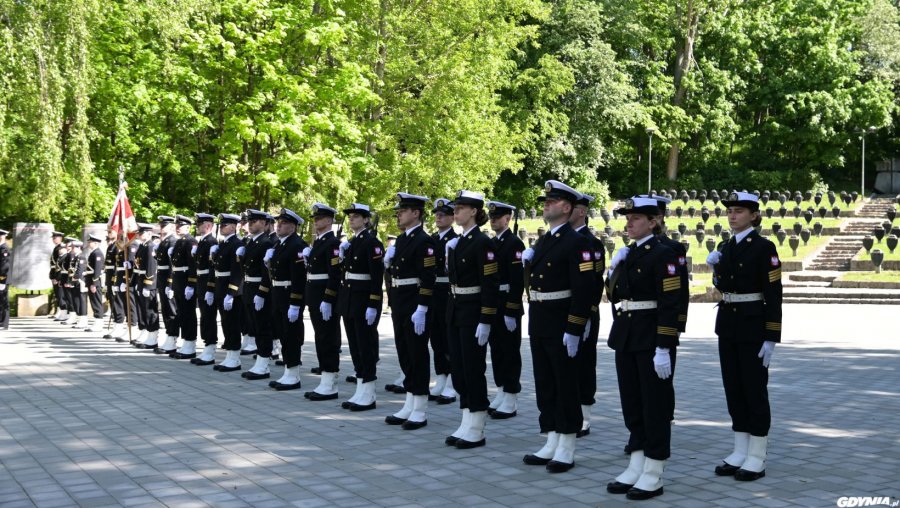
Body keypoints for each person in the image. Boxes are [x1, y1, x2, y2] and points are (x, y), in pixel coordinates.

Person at [605, 196, 681, 500]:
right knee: (632, 404)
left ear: (654, 222)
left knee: (655, 406)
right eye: (628, 218)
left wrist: (664, 345)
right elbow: (614, 297)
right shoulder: (629, 253)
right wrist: (614, 269)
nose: (629, 223)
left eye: (636, 218)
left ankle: (654, 469)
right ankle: (636, 463)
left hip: (651, 338)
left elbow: (670, 303)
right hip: (626, 334)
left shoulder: (664, 255)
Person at [707, 191, 782, 482]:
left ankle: (757, 455)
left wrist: (771, 336)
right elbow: (724, 287)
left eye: (739, 211)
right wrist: (716, 268)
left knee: (754, 389)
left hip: (753, 326)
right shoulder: (726, 246)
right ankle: (740, 449)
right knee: (734, 388)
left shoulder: (764, 247)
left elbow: (774, 293)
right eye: (730, 211)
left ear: (754, 215)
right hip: (728, 323)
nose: (732, 215)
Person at [520, 181, 592, 473]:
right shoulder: (546, 240)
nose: (545, 204)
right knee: (545, 383)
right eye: (545, 201)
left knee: (565, 384)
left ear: (567, 207)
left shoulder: (577, 242)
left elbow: (585, 290)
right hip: (540, 318)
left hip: (561, 321)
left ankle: (567, 445)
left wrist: (575, 328)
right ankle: (551, 438)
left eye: (552, 201)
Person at [443, 190, 499, 448]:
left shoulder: (483, 242)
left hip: (474, 311)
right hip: (456, 309)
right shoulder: (457, 242)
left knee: (474, 369)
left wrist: (486, 319)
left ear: (474, 211)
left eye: (461, 207)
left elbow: (490, 284)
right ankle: (466, 419)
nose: (456, 211)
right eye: (455, 207)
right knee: (459, 368)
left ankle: (477, 425)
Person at [382, 193, 437, 429]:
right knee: (404, 352)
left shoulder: (424, 241)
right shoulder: (404, 240)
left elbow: (428, 277)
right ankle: (410, 401)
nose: (398, 214)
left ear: (416, 213)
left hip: (415, 302)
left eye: (403, 211)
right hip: (400, 301)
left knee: (417, 354)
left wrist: (422, 307)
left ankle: (420, 407)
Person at [338, 203, 384, 410]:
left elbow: (376, 277)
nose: (352, 220)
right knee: (355, 346)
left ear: (366, 220)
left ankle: (369, 392)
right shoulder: (352, 242)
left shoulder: (372, 242)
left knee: (365, 346)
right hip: (349, 300)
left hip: (363, 301)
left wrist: (373, 303)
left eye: (356, 217)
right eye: (350, 217)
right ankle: (360, 388)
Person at [569, 193, 605, 438]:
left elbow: (594, 283)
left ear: (581, 211)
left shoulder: (591, 243)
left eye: (571, 207)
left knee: (583, 364)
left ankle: (584, 414)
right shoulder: (560, 239)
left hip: (584, 313)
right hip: (562, 312)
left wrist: (588, 315)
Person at [485, 201, 525, 420]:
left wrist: (511, 309)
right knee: (497, 350)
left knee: (510, 352)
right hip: (494, 303)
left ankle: (511, 395)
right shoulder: (492, 243)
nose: (493, 220)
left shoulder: (515, 244)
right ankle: (501, 389)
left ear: (508, 219)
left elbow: (518, 282)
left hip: (508, 304)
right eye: (491, 217)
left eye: (497, 217)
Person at [303, 203, 343, 400]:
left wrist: (328, 298)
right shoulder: (318, 242)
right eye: (315, 219)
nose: (315, 221)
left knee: (328, 337)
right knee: (321, 337)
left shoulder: (332, 243)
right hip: (315, 296)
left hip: (324, 298)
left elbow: (335, 275)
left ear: (328, 221)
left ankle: (330, 383)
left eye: (319, 218)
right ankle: (325, 380)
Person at [267, 208, 308, 390]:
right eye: (278, 223)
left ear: (293, 226)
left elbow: (299, 277)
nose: (278, 226)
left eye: (283, 223)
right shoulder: (279, 244)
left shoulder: (297, 245)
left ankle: (293, 374)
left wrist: (295, 303)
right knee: (283, 333)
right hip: (278, 294)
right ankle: (287, 371)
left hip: (289, 294)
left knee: (291, 335)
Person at [428, 198, 458, 404]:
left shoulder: (455, 240)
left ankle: (452, 382)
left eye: (443, 214)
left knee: (449, 339)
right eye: (437, 214)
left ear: (452, 217)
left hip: (448, 291)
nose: (439, 217)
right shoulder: (432, 239)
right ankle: (440, 377)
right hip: (432, 291)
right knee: (436, 337)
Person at [240, 209, 276, 380]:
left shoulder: (266, 243)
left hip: (258, 290)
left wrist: (262, 292)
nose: (250, 224)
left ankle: (263, 363)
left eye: (254, 221)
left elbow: (266, 273)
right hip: (249, 288)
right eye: (249, 221)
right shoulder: (251, 242)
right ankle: (260, 362)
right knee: (254, 326)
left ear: (263, 223)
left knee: (262, 328)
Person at [208, 213, 244, 372]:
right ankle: (229, 355)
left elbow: (238, 271)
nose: (221, 227)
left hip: (230, 288)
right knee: (225, 322)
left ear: (234, 227)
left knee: (232, 323)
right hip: (220, 286)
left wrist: (232, 292)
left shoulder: (237, 244)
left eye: (225, 225)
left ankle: (234, 358)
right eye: (221, 225)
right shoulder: (223, 244)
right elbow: (215, 269)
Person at [165, 215, 198, 356]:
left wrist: (191, 284)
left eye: (181, 226)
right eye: (177, 226)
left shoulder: (190, 241)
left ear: (188, 227)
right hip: (179, 281)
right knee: (182, 313)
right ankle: (185, 343)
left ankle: (190, 344)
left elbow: (192, 265)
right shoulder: (179, 242)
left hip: (186, 281)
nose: (178, 228)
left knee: (188, 314)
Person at [133, 224, 161, 349]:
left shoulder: (150, 246)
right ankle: (146, 333)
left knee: (150, 310)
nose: (139, 235)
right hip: (141, 281)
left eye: (141, 233)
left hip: (147, 282)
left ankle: (153, 337)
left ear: (149, 234)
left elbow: (151, 267)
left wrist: (148, 285)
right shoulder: (142, 246)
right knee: (142, 309)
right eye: (139, 233)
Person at [155, 216, 179, 351]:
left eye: (164, 226)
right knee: (165, 309)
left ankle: (172, 338)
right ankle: (169, 337)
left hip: (168, 279)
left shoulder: (172, 241)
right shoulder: (164, 241)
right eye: (161, 225)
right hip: (162, 278)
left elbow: (172, 265)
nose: (162, 228)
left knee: (171, 310)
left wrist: (170, 284)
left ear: (171, 227)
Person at [103, 229, 126, 340]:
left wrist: (114, 279)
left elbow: (118, 265)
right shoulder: (112, 246)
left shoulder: (118, 246)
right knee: (112, 300)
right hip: (110, 277)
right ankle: (116, 324)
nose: (108, 234)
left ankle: (119, 325)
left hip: (115, 277)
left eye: (110, 232)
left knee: (117, 302)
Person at [84, 234, 106, 332]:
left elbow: (97, 270)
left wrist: (94, 283)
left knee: (96, 302)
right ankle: (97, 322)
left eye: (90, 242)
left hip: (94, 282)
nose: (89, 244)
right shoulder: (94, 252)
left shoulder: (97, 253)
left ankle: (99, 323)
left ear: (96, 243)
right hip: (91, 280)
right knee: (94, 302)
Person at [49, 231, 67, 320]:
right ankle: (59, 311)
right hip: (55, 273)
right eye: (53, 238)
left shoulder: (61, 248)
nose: (53, 239)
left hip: (58, 274)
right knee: (57, 294)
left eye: (55, 238)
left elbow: (60, 265)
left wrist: (56, 277)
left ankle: (62, 311)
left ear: (60, 238)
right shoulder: (56, 248)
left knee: (60, 294)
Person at [0, 229, 9, 330]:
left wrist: (1, 279)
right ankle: (1, 321)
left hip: (3, 279)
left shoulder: (4, 248)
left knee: (4, 300)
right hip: (1, 278)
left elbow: (4, 266)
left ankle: (4, 323)